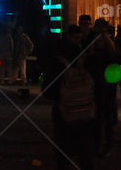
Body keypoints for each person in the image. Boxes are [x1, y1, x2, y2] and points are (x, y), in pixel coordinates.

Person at [46, 27, 97, 170]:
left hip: (64, 114)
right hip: (86, 114)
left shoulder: (57, 62)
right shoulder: (87, 62)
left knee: (62, 151)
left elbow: (48, 90)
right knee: (85, 153)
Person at [85, 25, 118, 157]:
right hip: (96, 90)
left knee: (107, 120)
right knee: (97, 120)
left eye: (101, 41)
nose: (99, 43)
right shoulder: (92, 57)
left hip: (108, 91)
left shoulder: (111, 56)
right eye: (97, 41)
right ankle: (98, 145)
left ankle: (107, 146)